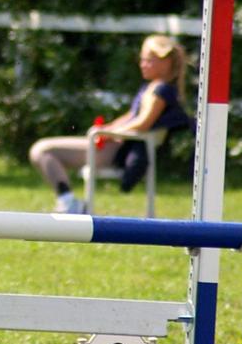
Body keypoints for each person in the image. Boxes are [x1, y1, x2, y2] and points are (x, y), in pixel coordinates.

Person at [28, 35, 191, 214]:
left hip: (115, 151)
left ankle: (69, 203)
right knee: (42, 149)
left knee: (43, 151)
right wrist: (108, 128)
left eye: (148, 60)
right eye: (142, 59)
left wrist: (110, 133)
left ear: (166, 62)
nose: (142, 64)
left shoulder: (161, 91)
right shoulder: (152, 87)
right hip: (114, 146)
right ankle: (68, 202)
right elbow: (131, 116)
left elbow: (143, 123)